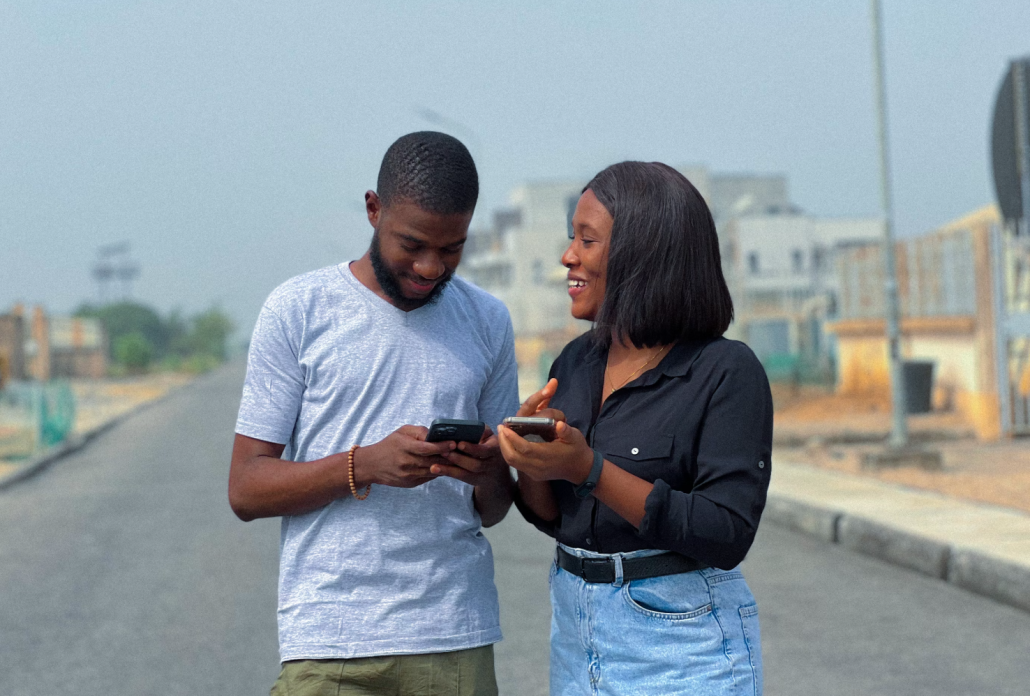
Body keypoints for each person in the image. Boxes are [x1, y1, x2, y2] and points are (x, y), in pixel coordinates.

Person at [229, 131, 519, 696]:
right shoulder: (298, 310)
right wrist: (365, 464)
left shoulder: (487, 320)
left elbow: (495, 509)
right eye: (412, 244)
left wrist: (485, 467)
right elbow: (245, 489)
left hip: (453, 634)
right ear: (373, 209)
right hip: (330, 641)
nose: (431, 267)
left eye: (452, 247)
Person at [498, 161, 773, 695]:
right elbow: (561, 520)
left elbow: (727, 533)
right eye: (570, 237)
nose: (567, 256)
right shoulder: (575, 363)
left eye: (587, 239)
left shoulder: (725, 372)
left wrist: (588, 467)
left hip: (679, 644)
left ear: (641, 256)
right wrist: (533, 461)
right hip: (577, 632)